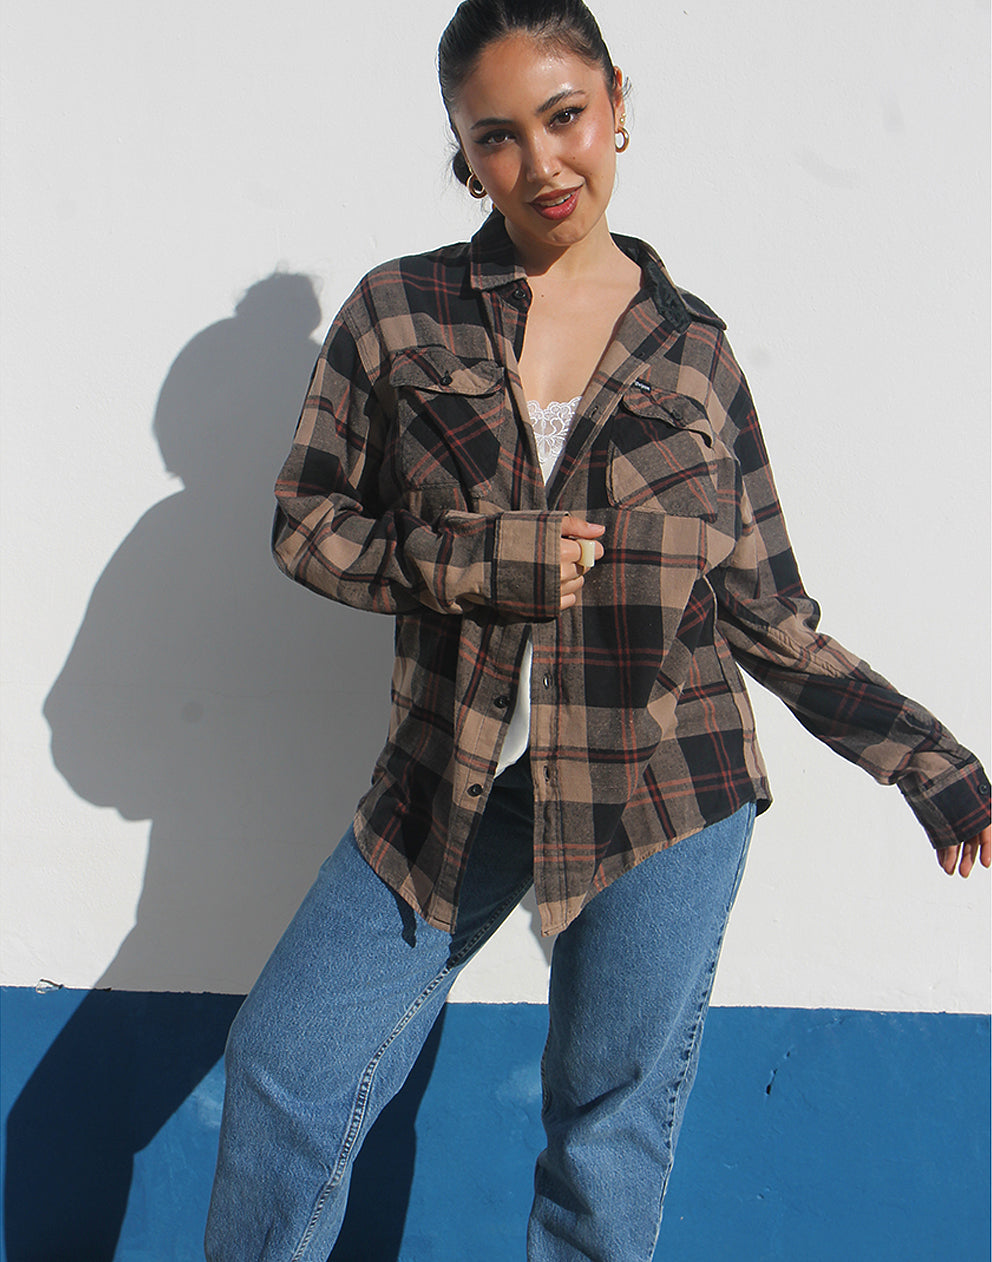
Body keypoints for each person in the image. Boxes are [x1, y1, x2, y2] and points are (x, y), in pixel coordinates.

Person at [204, 2, 990, 1257]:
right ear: (463, 152)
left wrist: (931, 764)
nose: (541, 162)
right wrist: (482, 561)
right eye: (497, 135)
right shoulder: (397, 317)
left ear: (617, 102)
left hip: (661, 782)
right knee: (287, 1066)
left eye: (564, 117)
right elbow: (307, 525)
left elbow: (767, 614)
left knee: (604, 1131)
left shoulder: (695, 360)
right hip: (451, 778)